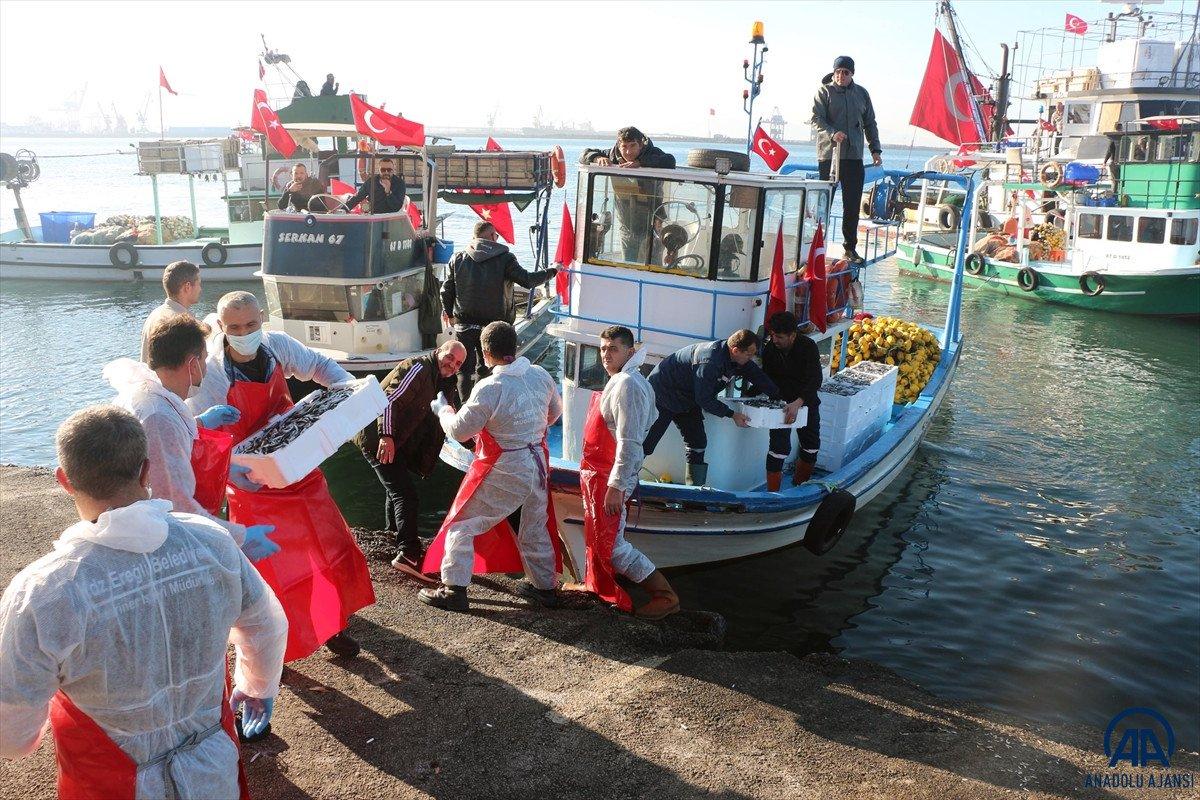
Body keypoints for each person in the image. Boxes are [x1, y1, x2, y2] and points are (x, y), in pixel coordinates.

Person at [0, 405, 287, 797]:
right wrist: (257, 686)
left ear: (64, 481)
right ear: (145, 470)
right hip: (212, 770)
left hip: (110, 783)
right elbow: (266, 623)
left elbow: (11, 732)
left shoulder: (43, 592)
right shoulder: (211, 543)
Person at [187, 291, 375, 660]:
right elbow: (201, 442)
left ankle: (332, 625)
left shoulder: (276, 345)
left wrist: (346, 393)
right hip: (252, 483)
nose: (245, 332)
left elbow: (320, 365)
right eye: (235, 327)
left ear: (262, 319)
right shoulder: (210, 374)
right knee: (272, 573)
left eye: (251, 324)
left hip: (299, 469)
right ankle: (272, 653)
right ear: (222, 327)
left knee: (328, 547)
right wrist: (231, 474)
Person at [109, 315, 282, 562]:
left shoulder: (149, 393)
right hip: (155, 544)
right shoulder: (160, 417)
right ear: (192, 365)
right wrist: (240, 537)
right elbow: (177, 506)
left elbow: (169, 444)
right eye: (203, 358)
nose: (206, 365)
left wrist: (200, 425)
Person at [419, 321, 562, 612]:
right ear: (515, 346)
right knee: (534, 526)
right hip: (537, 460)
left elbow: (459, 431)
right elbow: (554, 413)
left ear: (484, 353)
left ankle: (453, 589)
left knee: (462, 523)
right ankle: (545, 588)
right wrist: (529, 431)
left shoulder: (490, 387)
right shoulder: (540, 375)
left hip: (508, 463)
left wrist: (442, 410)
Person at [573, 326, 678, 619]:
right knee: (597, 537)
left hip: (609, 475)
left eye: (613, 349)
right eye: (603, 349)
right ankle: (594, 585)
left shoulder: (628, 385)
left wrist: (616, 485)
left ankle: (665, 596)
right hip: (599, 474)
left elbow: (629, 442)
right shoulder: (623, 380)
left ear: (629, 352)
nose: (606, 355)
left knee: (613, 545)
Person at [353, 340, 465, 579]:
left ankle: (391, 536)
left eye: (458, 364)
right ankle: (409, 553)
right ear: (439, 351)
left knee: (394, 492)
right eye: (450, 357)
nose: (452, 365)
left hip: (398, 441)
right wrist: (386, 435)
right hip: (378, 437)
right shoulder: (418, 368)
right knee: (406, 495)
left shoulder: (446, 383)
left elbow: (453, 419)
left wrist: (473, 443)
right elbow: (390, 400)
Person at [643, 329, 800, 487]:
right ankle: (625, 483)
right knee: (648, 442)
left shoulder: (738, 359)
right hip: (662, 394)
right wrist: (732, 414)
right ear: (736, 350)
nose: (751, 358)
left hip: (687, 399)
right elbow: (704, 399)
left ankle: (694, 492)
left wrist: (782, 399)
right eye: (749, 355)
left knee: (697, 441)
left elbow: (757, 376)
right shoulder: (710, 361)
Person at [440, 220, 558, 401]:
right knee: (488, 368)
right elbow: (527, 280)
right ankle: (482, 405)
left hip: (464, 324)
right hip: (493, 326)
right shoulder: (505, 258)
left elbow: (446, 290)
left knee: (463, 368)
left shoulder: (458, 258)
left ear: (474, 237)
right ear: (492, 236)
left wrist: (449, 313)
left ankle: (465, 405)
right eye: (496, 235)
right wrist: (552, 271)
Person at [812, 56, 883, 264]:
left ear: (852, 74)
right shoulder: (824, 92)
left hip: (853, 157)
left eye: (845, 72)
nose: (841, 76)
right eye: (838, 72)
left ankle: (850, 248)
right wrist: (833, 133)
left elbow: (870, 123)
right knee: (823, 203)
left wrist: (875, 149)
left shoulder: (861, 94)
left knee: (851, 205)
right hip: (829, 156)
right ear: (833, 72)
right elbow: (816, 118)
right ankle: (814, 247)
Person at [579, 126, 677, 263]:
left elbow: (670, 161)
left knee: (653, 264)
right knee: (628, 262)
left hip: (653, 222)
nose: (628, 151)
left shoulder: (653, 153)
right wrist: (597, 158)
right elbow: (583, 155)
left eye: (632, 146)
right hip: (627, 222)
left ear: (641, 144)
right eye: (624, 146)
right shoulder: (612, 155)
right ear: (618, 145)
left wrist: (641, 164)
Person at [756, 312, 823, 490]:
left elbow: (815, 379)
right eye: (772, 335)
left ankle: (800, 484)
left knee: (811, 445)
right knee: (778, 449)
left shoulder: (808, 347)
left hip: (806, 400)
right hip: (780, 403)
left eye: (779, 337)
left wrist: (799, 402)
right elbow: (767, 377)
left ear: (793, 335)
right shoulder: (771, 349)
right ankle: (772, 494)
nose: (775, 340)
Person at [139, 259, 200, 363]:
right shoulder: (182, 323)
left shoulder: (155, 314)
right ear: (187, 287)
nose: (200, 289)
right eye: (199, 284)